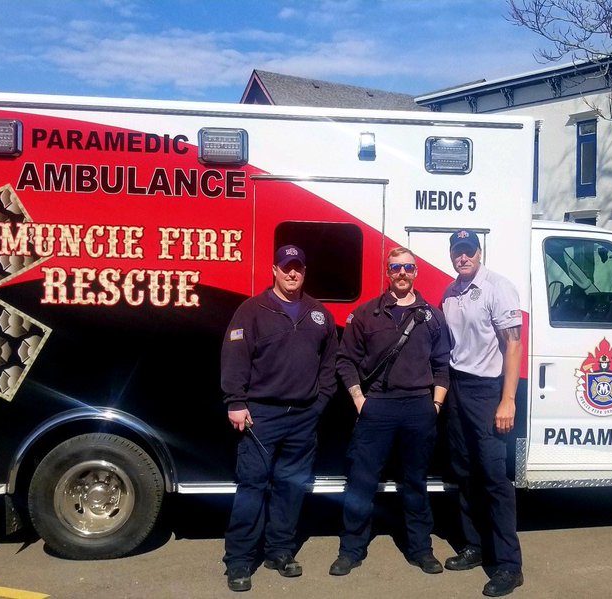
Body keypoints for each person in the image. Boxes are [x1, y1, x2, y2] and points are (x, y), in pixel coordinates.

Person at [219, 244, 338, 592]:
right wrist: (235, 401)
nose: (292, 273)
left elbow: (330, 364)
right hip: (261, 415)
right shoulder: (252, 309)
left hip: (303, 416)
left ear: (305, 271)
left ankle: (280, 551)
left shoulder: (319, 313)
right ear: (274, 269)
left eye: (298, 267)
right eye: (286, 267)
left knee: (291, 487)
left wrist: (320, 403)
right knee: (252, 487)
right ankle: (239, 560)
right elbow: (235, 356)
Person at [330, 247, 452, 577]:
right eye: (396, 267)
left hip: (418, 408)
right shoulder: (367, 314)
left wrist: (436, 404)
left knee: (415, 483)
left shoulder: (432, 315)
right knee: (361, 481)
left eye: (408, 267)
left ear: (416, 272)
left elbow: (442, 365)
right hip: (377, 407)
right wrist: (360, 400)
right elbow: (345, 360)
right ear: (388, 272)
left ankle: (421, 549)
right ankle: (351, 550)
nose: (402, 273)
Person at [440, 230, 525, 597]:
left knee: (494, 478)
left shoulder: (498, 288)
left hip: (488, 391)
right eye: (458, 252)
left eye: (468, 251)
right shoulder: (450, 292)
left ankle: (508, 565)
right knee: (464, 471)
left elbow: (514, 344)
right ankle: (474, 545)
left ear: (479, 252)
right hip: (458, 388)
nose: (463, 258)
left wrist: (508, 399)